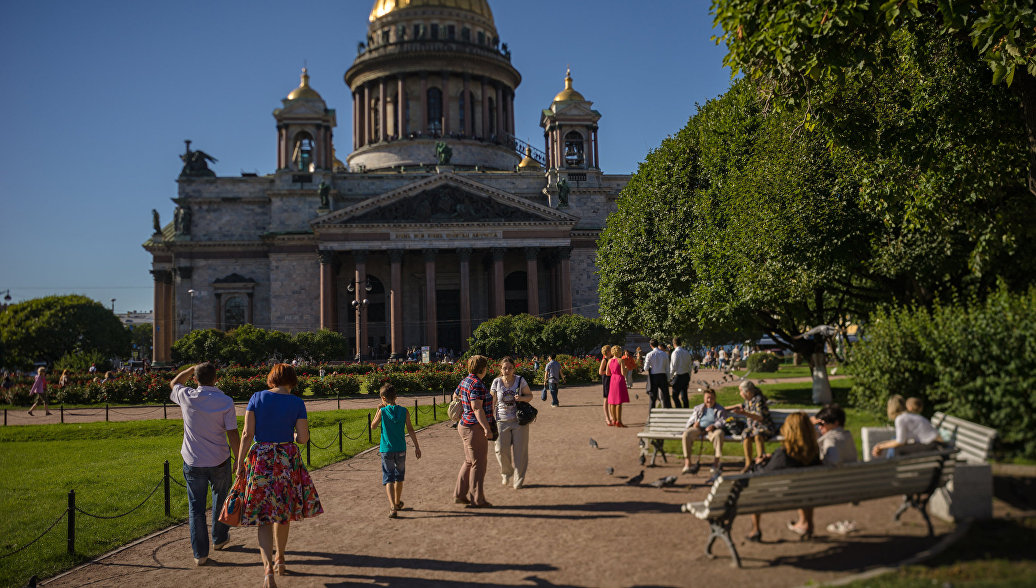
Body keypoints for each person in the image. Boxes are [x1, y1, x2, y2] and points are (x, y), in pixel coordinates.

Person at [234, 364, 323, 587]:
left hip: (261, 459)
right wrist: (292, 435)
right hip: (286, 459)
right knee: (282, 513)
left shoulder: (256, 397)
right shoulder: (296, 402)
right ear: (292, 380)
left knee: (264, 517)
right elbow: (303, 438)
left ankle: (267, 570)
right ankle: (280, 559)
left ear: (272, 378)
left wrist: (239, 463)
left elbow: (247, 434)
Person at [169, 363, 240, 566]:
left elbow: (174, 383)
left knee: (196, 508)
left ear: (195, 379)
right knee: (221, 498)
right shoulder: (225, 401)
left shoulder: (187, 395)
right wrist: (238, 459)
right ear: (216, 378)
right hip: (219, 459)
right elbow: (232, 432)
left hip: (193, 460)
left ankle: (200, 554)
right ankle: (219, 538)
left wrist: (191, 369)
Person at [745, 412, 822, 541]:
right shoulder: (814, 454)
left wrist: (760, 463)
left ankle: (755, 530)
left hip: (779, 495)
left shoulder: (783, 454)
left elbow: (764, 474)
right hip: (805, 493)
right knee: (805, 486)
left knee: (755, 485)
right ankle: (808, 523)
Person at [789, 404, 858, 536]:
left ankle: (804, 522)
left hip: (831, 486)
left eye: (822, 424)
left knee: (800, 484)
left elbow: (832, 462)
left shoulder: (831, 441)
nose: (820, 427)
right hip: (850, 483)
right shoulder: (846, 436)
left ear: (835, 423)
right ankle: (804, 523)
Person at [370, 383, 421, 518]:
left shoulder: (383, 411)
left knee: (389, 478)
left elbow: (373, 426)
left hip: (386, 449)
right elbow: (410, 429)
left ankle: (393, 507)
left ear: (383, 398)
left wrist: (378, 410)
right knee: (399, 477)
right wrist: (417, 446)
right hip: (401, 448)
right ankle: (398, 502)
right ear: (396, 397)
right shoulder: (404, 411)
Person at [454, 355, 495, 507]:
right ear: (483, 368)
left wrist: (463, 409)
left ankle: (459, 494)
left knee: (469, 461)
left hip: (464, 425)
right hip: (474, 427)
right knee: (479, 464)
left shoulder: (465, 380)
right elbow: (476, 407)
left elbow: (455, 394)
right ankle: (477, 499)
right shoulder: (477, 384)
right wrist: (486, 428)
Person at [490, 357, 533, 489]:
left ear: (514, 368)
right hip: (501, 420)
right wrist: (489, 418)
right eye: (504, 368)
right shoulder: (497, 382)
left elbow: (530, 396)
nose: (507, 370)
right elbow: (491, 401)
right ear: (500, 369)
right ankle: (507, 472)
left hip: (519, 421)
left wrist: (521, 398)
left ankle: (518, 479)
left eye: (510, 368)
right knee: (500, 450)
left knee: (520, 452)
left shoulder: (520, 380)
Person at [871, 396, 945, 457]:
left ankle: (891, 468)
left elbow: (900, 441)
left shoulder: (900, 419)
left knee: (897, 450)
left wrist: (880, 446)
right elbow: (902, 440)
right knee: (894, 441)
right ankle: (890, 466)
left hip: (933, 445)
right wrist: (880, 445)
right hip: (935, 443)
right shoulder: (908, 416)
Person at [728, 380, 776, 473]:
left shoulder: (759, 400)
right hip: (754, 428)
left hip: (765, 427)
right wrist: (724, 408)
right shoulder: (748, 401)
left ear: (748, 392)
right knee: (745, 434)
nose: (740, 393)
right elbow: (740, 405)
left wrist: (744, 413)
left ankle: (761, 462)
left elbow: (760, 417)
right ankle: (748, 463)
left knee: (758, 435)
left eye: (741, 391)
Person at [681, 389, 728, 481]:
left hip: (713, 429)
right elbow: (691, 420)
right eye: (707, 398)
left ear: (715, 398)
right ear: (704, 398)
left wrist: (714, 426)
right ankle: (687, 463)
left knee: (719, 434)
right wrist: (694, 424)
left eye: (711, 398)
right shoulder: (698, 408)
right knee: (686, 434)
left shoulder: (720, 409)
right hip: (699, 428)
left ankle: (716, 463)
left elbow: (723, 421)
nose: (709, 400)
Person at [607, 345, 631, 427]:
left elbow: (607, 373)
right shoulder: (621, 360)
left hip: (612, 380)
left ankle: (614, 420)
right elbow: (623, 373)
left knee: (612, 401)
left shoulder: (609, 361)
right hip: (619, 380)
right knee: (619, 402)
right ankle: (619, 421)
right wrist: (625, 368)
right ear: (619, 352)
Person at [644, 339, 671, 408]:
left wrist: (651, 366)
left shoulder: (649, 354)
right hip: (663, 376)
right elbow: (667, 368)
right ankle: (667, 413)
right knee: (665, 396)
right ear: (657, 344)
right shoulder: (664, 354)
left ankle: (651, 414)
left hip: (653, 377)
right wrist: (668, 378)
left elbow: (646, 368)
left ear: (650, 345)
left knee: (653, 398)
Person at [669, 337, 693, 408]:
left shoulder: (675, 353)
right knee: (684, 396)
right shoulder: (686, 352)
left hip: (678, 376)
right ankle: (686, 410)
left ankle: (679, 409)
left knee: (674, 396)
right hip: (686, 376)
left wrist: (669, 377)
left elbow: (673, 367)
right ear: (681, 343)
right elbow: (689, 366)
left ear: (673, 344)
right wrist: (689, 377)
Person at [598, 345, 612, 425]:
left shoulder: (611, 359)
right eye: (611, 350)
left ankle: (611, 416)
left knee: (611, 399)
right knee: (606, 399)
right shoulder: (605, 360)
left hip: (611, 380)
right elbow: (600, 372)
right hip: (606, 380)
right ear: (608, 351)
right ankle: (607, 417)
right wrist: (608, 372)